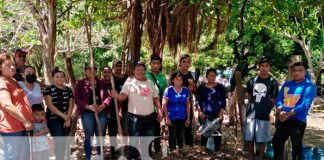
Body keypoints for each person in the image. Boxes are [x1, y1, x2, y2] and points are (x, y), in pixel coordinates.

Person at [111, 61, 163, 158]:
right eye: (138, 70)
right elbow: (123, 97)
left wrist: (159, 111)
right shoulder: (129, 81)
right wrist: (116, 95)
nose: (140, 71)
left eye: (142, 69)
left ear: (145, 71)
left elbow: (155, 98)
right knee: (133, 143)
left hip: (149, 118)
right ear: (134, 71)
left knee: (147, 142)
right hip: (134, 118)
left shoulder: (150, 82)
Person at [272, 62, 316, 160]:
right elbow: (279, 99)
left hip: (297, 121)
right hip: (283, 119)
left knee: (296, 146)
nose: (297, 73)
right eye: (295, 70)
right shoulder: (287, 84)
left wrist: (288, 114)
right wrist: (279, 111)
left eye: (300, 70)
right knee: (276, 142)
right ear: (292, 72)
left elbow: (305, 105)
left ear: (305, 72)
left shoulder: (309, 86)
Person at [244, 57, 279, 160]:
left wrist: (267, 108)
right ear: (259, 67)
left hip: (264, 115)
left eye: (266, 66)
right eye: (262, 66)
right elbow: (250, 96)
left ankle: (260, 157)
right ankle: (251, 156)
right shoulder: (252, 81)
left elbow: (274, 99)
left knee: (262, 138)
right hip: (251, 114)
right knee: (250, 137)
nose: (264, 68)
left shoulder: (273, 82)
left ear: (269, 68)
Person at [74, 63, 111, 160]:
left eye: (94, 68)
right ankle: (88, 157)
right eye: (89, 68)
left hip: (101, 113)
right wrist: (88, 107)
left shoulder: (102, 83)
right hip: (87, 114)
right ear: (85, 71)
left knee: (100, 135)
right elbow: (77, 99)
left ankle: (100, 156)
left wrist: (102, 106)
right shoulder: (81, 83)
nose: (92, 70)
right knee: (89, 136)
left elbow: (109, 97)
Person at [0, 53, 33, 160]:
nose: (12, 67)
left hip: (22, 127)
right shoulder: (2, 82)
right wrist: (25, 120)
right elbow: (6, 104)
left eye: (13, 64)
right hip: (12, 130)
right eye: (8, 65)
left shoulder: (13, 80)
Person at [43, 67, 74, 160]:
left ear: (65, 78)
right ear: (53, 77)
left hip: (67, 119)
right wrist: (64, 116)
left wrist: (68, 118)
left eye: (62, 77)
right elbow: (50, 106)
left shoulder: (68, 90)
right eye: (57, 77)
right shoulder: (48, 89)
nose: (60, 79)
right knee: (59, 142)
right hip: (54, 120)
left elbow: (71, 105)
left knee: (65, 141)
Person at [195, 68, 226, 151]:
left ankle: (217, 150)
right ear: (206, 76)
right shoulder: (201, 87)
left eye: (214, 75)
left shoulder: (220, 87)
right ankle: (203, 150)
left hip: (217, 115)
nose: (212, 77)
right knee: (204, 132)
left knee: (217, 132)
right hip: (204, 115)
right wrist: (200, 112)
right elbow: (197, 101)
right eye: (210, 75)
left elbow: (223, 101)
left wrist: (221, 112)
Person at [171, 54, 197, 146]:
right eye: (184, 62)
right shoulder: (176, 74)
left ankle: (188, 145)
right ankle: (177, 145)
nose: (186, 64)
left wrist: (193, 86)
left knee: (188, 124)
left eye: (188, 62)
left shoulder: (192, 74)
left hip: (188, 103)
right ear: (180, 63)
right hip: (176, 103)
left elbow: (195, 90)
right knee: (177, 124)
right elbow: (172, 88)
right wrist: (186, 87)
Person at [163, 72, 190, 152]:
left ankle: (181, 148)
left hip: (183, 116)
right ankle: (172, 149)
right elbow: (164, 104)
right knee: (173, 134)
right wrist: (166, 118)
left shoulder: (185, 90)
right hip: (172, 116)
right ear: (173, 80)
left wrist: (188, 118)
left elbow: (188, 104)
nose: (179, 81)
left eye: (180, 79)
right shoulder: (168, 90)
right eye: (177, 79)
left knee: (181, 135)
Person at [145, 55, 167, 153]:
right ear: (150, 64)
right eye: (153, 63)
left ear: (160, 65)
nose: (155, 65)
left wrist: (162, 109)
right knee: (148, 130)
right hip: (147, 107)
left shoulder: (162, 77)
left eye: (157, 63)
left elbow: (164, 93)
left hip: (158, 107)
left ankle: (157, 149)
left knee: (157, 129)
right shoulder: (146, 75)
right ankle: (148, 149)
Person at [101, 66, 118, 158]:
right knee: (101, 133)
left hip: (113, 113)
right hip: (102, 113)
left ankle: (113, 153)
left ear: (111, 74)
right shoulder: (99, 84)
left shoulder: (114, 84)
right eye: (105, 72)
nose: (107, 74)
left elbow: (119, 100)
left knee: (113, 133)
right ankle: (101, 153)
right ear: (102, 74)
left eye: (109, 72)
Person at [112, 60, 128, 136]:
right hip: (112, 107)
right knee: (114, 130)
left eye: (120, 66)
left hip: (126, 107)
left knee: (125, 129)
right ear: (113, 67)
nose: (118, 68)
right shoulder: (111, 77)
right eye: (116, 66)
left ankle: (125, 147)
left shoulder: (126, 78)